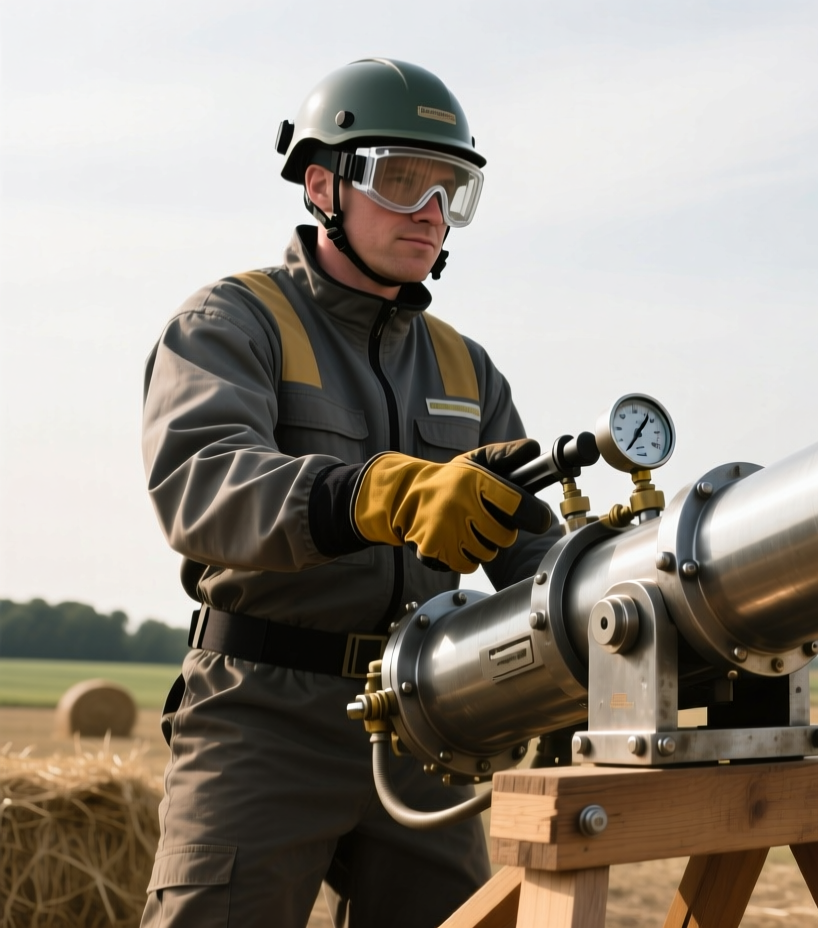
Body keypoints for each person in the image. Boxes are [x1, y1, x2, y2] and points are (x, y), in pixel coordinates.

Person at [140, 58, 557, 928]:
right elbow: (203, 483)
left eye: (451, 189)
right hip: (263, 713)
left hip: (428, 717)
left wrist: (640, 595)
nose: (431, 210)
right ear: (323, 184)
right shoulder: (232, 322)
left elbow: (534, 552)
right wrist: (379, 494)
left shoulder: (466, 367)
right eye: (402, 180)